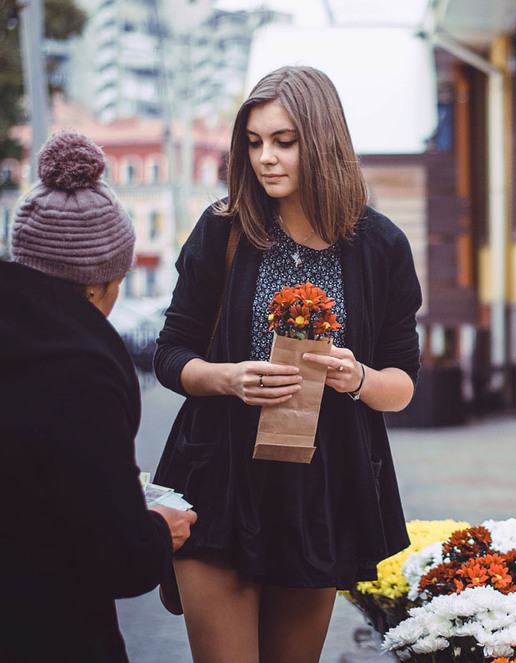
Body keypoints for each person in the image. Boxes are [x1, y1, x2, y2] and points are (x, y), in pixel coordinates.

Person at [153, 65, 422, 662]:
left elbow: (401, 386)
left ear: (322, 142)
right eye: (253, 143)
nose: (265, 158)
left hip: (318, 496)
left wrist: (356, 379)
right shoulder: (223, 230)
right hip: (217, 482)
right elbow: (171, 353)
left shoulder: (380, 247)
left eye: (283, 141)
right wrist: (226, 377)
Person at [0, 130, 197, 662]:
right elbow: (120, 558)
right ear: (101, 283)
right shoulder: (80, 374)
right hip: (51, 633)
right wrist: (159, 528)